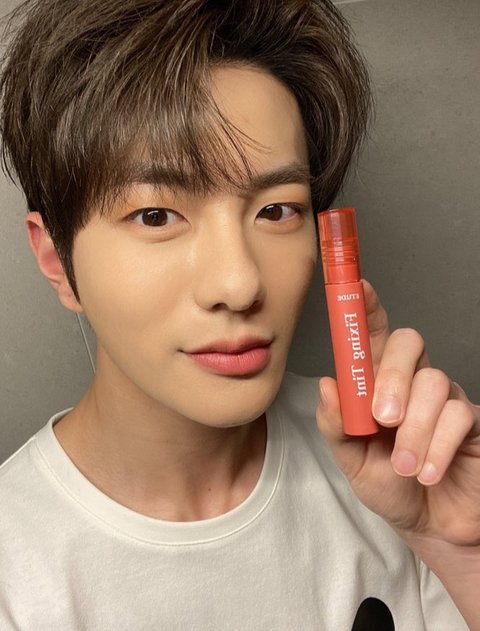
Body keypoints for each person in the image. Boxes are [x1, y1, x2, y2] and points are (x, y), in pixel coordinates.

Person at [0, 0, 478, 629]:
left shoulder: (399, 476)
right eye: (155, 216)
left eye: (277, 211)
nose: (240, 283)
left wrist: (461, 555)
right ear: (56, 260)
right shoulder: (16, 569)